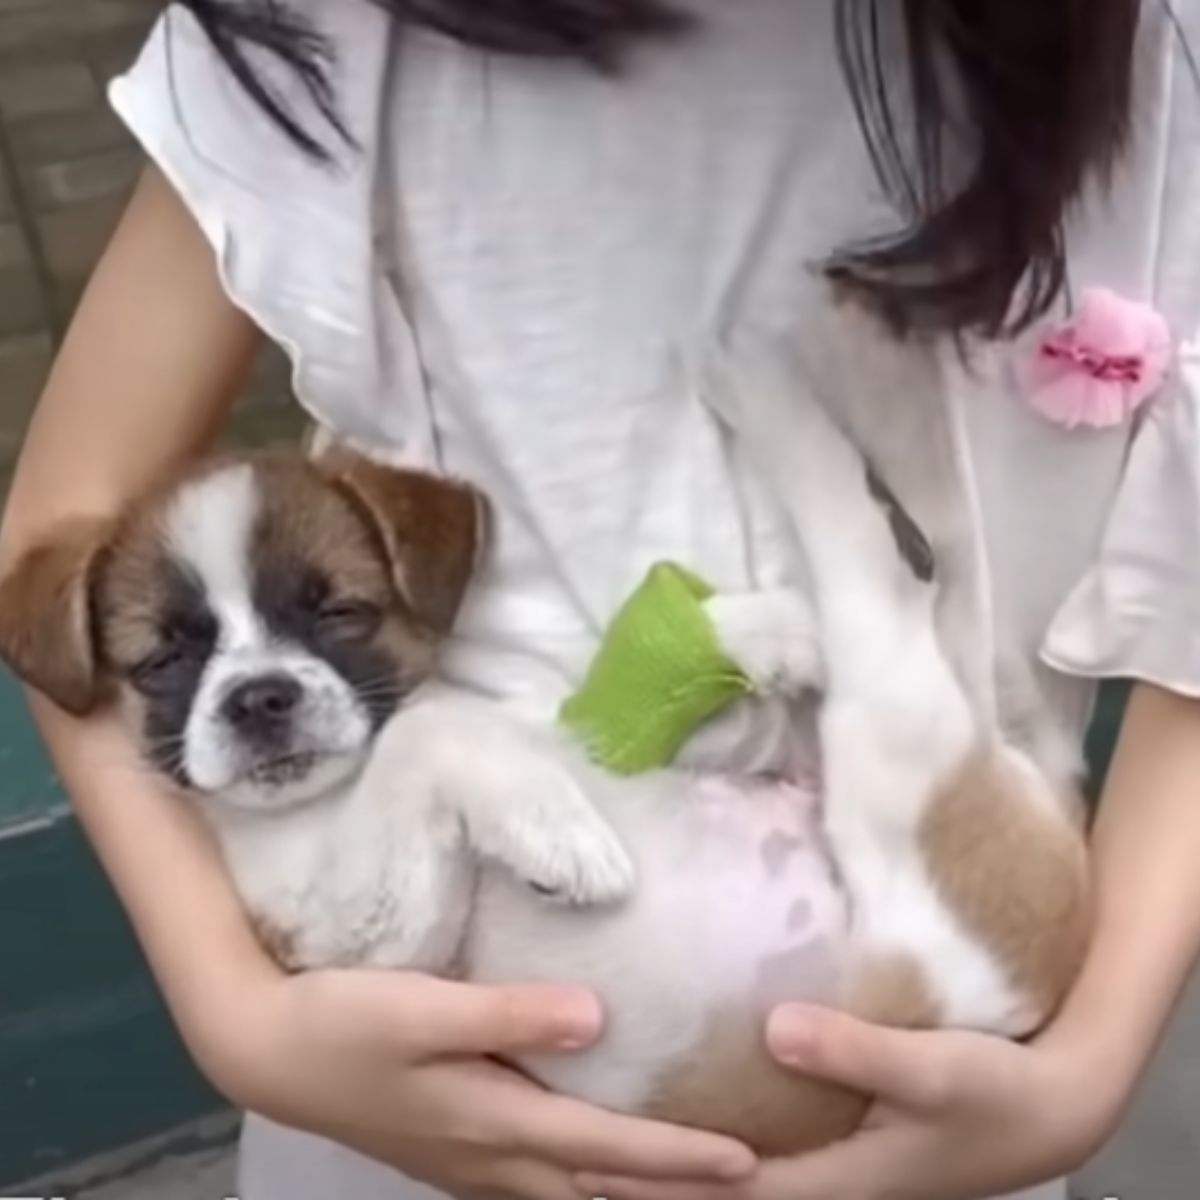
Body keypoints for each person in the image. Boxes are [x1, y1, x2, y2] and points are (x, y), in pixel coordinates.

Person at [3, 1, 1200, 1198]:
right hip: (421, 1124)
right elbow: (62, 518)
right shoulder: (332, 30)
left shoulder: (1166, 54)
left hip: (950, 1077)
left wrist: (1090, 1070)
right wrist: (235, 1015)